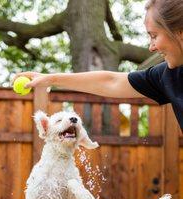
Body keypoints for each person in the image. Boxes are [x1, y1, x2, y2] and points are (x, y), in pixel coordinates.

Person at [14, 0, 183, 130]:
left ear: (180, 32)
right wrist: (49, 79)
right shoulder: (167, 76)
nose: (151, 47)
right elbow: (111, 81)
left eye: (154, 36)